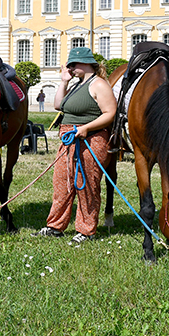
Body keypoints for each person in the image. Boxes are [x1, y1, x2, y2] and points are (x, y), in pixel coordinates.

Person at [34, 46, 117, 243]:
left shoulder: (98, 85)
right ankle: (55, 226)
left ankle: (86, 230)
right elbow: (58, 105)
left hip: (90, 140)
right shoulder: (77, 84)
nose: (70, 68)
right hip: (69, 139)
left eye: (73, 64)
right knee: (62, 182)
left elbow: (110, 112)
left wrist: (86, 128)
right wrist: (63, 82)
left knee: (86, 185)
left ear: (87, 64)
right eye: (69, 65)